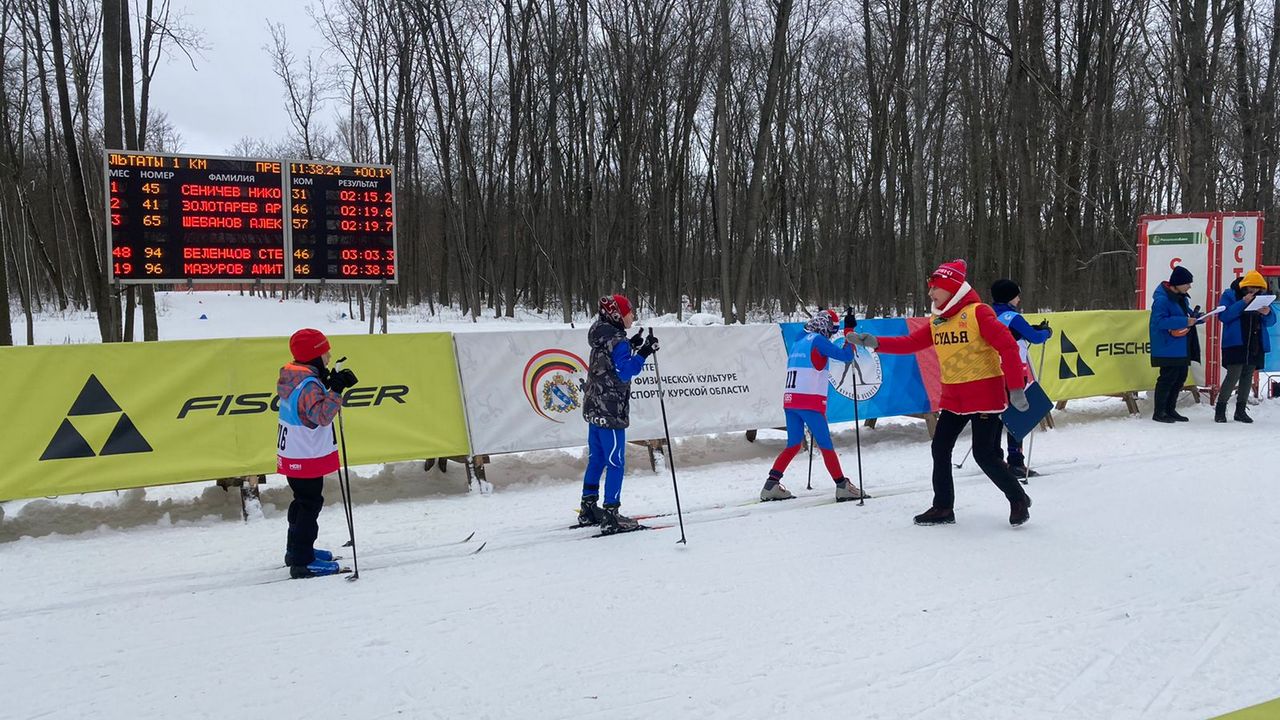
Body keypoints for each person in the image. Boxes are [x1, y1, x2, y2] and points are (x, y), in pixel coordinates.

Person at [849, 260, 1034, 527]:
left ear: (951, 289)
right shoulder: (939, 320)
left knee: (984, 454)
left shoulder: (978, 313)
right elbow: (911, 343)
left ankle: (1018, 499)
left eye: (935, 288)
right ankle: (943, 507)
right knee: (940, 448)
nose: (930, 293)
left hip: (984, 394)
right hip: (954, 397)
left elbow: (1007, 346)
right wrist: (876, 343)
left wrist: (1016, 388)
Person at [759, 309, 867, 503]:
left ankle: (771, 484)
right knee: (825, 445)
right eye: (832, 330)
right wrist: (848, 329)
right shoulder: (818, 340)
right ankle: (842, 486)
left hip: (791, 400)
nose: (831, 335)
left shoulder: (799, 340)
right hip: (809, 402)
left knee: (792, 445)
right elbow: (846, 356)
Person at [278, 328, 358, 579]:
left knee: (301, 501)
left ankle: (297, 550)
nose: (329, 357)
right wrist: (335, 390)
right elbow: (321, 416)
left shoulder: (294, 374)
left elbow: (307, 401)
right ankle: (303, 561)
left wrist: (327, 381)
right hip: (304, 453)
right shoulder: (308, 383)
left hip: (294, 451)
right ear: (313, 356)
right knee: (310, 504)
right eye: (324, 353)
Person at [578, 294, 659, 534]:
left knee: (597, 459)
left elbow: (610, 362)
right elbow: (625, 371)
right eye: (629, 311)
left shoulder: (601, 334)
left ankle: (589, 506)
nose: (632, 315)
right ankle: (611, 514)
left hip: (594, 407)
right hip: (611, 410)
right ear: (616, 314)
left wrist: (632, 345)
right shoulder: (618, 340)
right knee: (615, 462)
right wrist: (643, 352)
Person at [990, 279, 1052, 478]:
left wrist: (1031, 328)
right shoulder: (1013, 316)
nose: (1019, 298)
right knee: (1017, 415)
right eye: (1017, 295)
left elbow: (1012, 331)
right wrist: (1045, 332)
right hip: (1014, 372)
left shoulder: (987, 313)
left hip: (990, 372)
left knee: (996, 415)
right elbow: (1035, 337)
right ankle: (1016, 462)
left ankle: (993, 458)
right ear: (1009, 297)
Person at [1215, 270, 1275, 423]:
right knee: (1233, 374)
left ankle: (1240, 410)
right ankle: (1220, 409)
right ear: (1244, 286)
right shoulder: (1230, 295)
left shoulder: (1262, 298)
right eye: (1251, 288)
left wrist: (1267, 313)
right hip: (1236, 342)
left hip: (1255, 342)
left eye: (1257, 288)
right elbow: (1224, 316)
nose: (1254, 291)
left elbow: (1271, 321)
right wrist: (1242, 303)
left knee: (1247, 375)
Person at [1149, 266, 1203, 423]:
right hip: (1167, 346)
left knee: (1180, 377)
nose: (1189, 286)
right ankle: (1159, 412)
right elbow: (1159, 322)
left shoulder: (1182, 298)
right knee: (1167, 378)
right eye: (1187, 283)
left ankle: (1170, 409)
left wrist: (1198, 318)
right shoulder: (1162, 300)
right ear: (1177, 283)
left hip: (1181, 345)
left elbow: (1187, 315)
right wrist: (1185, 321)